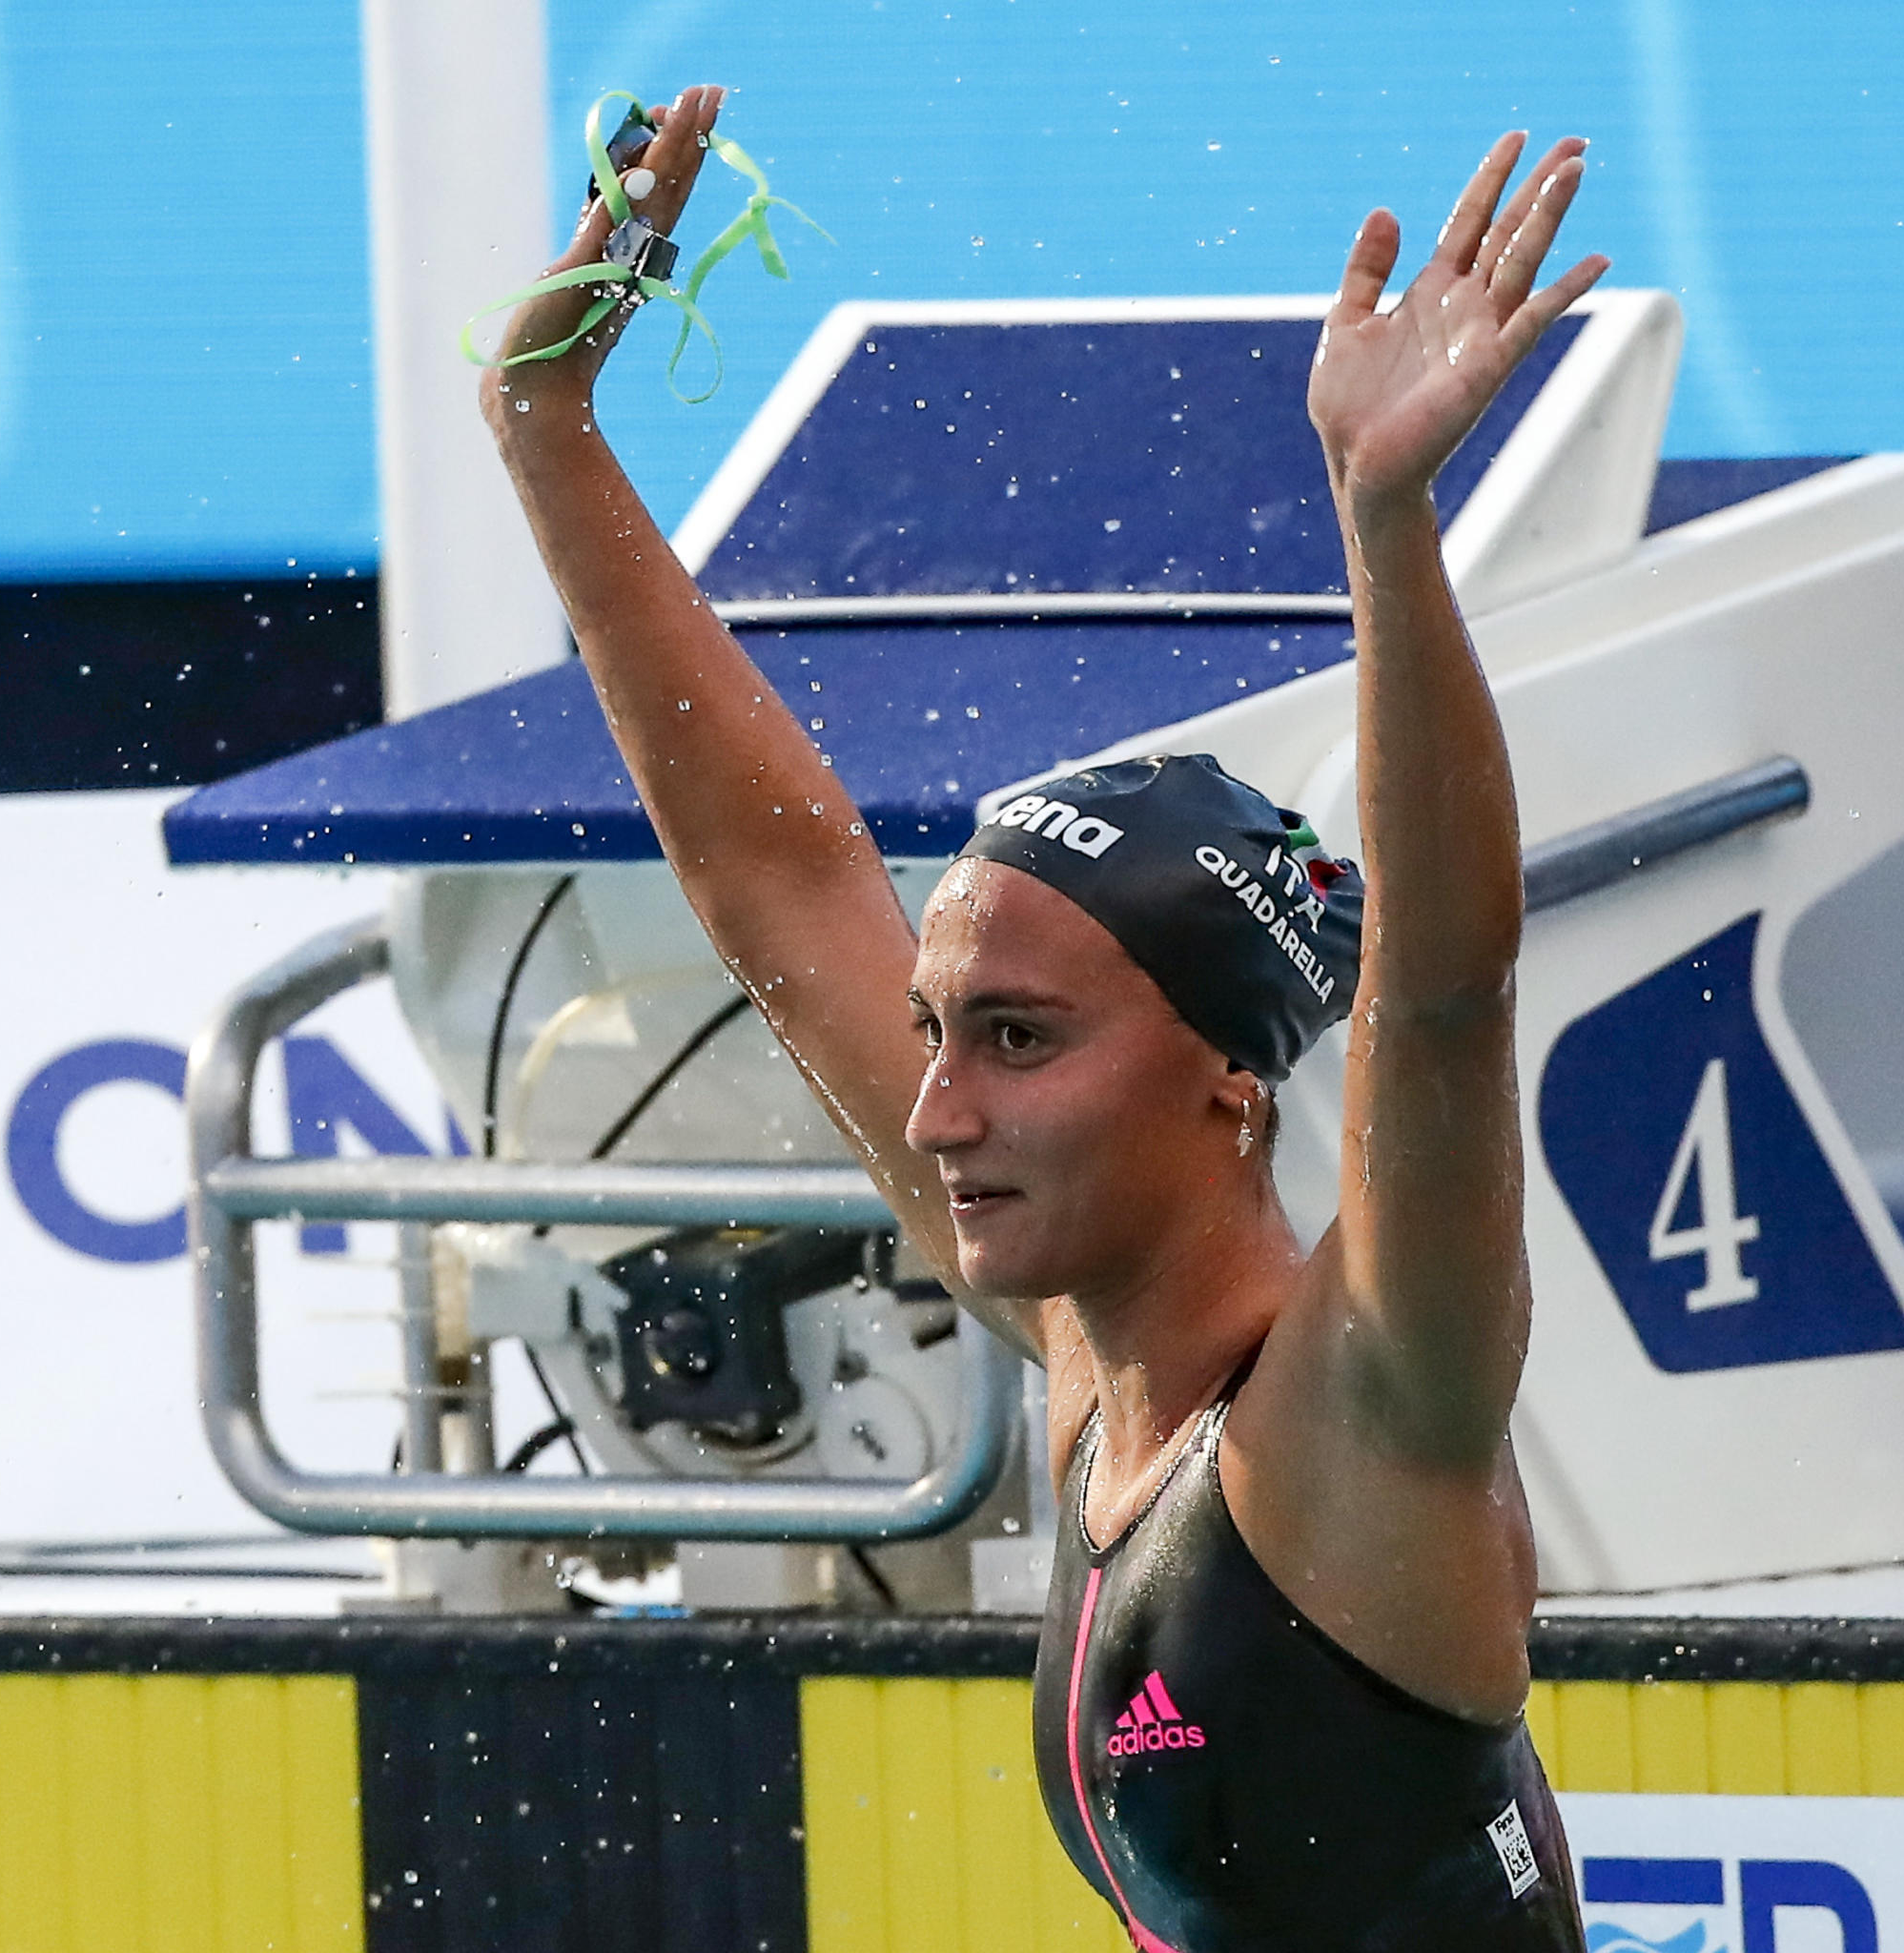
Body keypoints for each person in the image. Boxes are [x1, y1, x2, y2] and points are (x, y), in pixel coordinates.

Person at [484, 87, 1607, 1952]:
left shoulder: (1367, 1414)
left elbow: (1441, 996)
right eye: (939, 1031)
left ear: (1229, 1086)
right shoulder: (1090, 1357)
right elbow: (780, 888)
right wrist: (545, 428)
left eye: (1017, 1038)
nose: (936, 1111)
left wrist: (1387, 526)